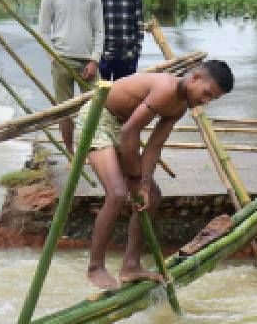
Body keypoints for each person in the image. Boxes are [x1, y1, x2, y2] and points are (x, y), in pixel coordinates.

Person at [77, 61, 234, 290]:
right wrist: (134, 177)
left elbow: (153, 147)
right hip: (97, 118)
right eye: (206, 93)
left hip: (120, 127)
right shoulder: (166, 88)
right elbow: (131, 131)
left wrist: (144, 182)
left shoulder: (179, 107)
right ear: (195, 78)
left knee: (153, 196)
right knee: (118, 193)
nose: (205, 101)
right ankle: (95, 267)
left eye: (212, 99)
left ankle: (131, 265)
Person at [39, 0, 105, 152]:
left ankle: (94, 150)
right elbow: (43, 32)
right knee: (65, 111)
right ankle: (70, 152)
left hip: (88, 61)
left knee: (96, 108)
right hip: (62, 60)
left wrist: (95, 60)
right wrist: (53, 57)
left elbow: (100, 30)